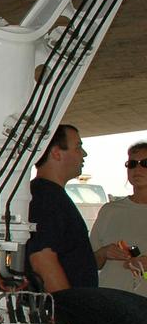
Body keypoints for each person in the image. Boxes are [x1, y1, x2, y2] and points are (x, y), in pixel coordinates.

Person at [25, 124, 104, 292]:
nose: (84, 154)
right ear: (56, 153)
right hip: (62, 313)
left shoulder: (50, 195)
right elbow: (42, 258)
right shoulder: (45, 197)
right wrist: (68, 310)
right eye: (78, 147)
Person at [89, 140, 147, 293]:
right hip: (111, 303)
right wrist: (103, 253)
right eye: (132, 164)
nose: (137, 168)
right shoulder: (110, 210)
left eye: (145, 163)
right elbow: (90, 263)